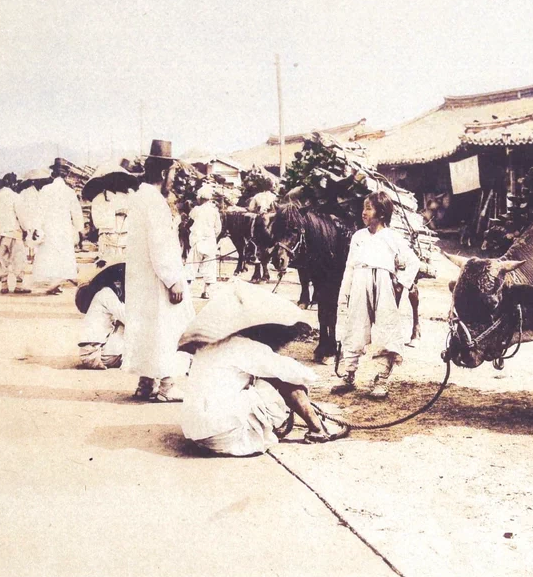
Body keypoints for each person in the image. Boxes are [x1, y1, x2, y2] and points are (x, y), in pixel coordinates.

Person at [179, 281, 347, 455]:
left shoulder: (206, 345)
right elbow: (294, 373)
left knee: (259, 377)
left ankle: (309, 426)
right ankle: (318, 429)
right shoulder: (244, 347)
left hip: (196, 432)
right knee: (283, 379)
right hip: (223, 435)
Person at [123, 140, 195, 402]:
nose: (173, 180)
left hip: (142, 278)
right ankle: (166, 386)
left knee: (147, 328)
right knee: (168, 327)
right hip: (158, 277)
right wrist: (172, 279)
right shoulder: (154, 202)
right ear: (164, 173)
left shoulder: (140, 197)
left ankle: (145, 382)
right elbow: (160, 245)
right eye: (173, 174)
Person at [333, 191, 421, 399]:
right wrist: (344, 293)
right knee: (355, 325)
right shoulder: (358, 237)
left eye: (368, 208)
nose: (363, 213)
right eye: (363, 207)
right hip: (359, 283)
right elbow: (350, 267)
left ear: (381, 213)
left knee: (385, 329)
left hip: (383, 285)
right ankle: (349, 374)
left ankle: (380, 379)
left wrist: (401, 283)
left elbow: (413, 262)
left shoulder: (392, 237)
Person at [32, 158, 84, 294]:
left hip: (48, 226)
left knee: (50, 255)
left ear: (53, 174)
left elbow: (39, 210)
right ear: (66, 175)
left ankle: (54, 283)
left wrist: (36, 227)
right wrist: (79, 229)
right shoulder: (69, 191)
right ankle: (57, 284)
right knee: (63, 255)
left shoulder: (45, 190)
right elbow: (76, 212)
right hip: (64, 227)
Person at [76, 262, 126, 369]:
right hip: (96, 353)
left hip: (92, 351)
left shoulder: (105, 293)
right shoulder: (107, 293)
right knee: (129, 328)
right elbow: (127, 318)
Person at [0, 173, 30, 294]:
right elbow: (21, 216)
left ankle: (4, 285)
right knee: (18, 258)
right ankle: (19, 285)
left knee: (1, 260)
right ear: (13, 183)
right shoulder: (15, 197)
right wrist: (26, 229)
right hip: (14, 233)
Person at [186, 184, 222, 299]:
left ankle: (187, 290)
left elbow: (189, 224)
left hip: (198, 241)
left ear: (200, 198)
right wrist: (212, 236)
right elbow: (218, 228)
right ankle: (206, 292)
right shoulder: (214, 211)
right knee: (210, 266)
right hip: (210, 242)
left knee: (191, 265)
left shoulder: (196, 210)